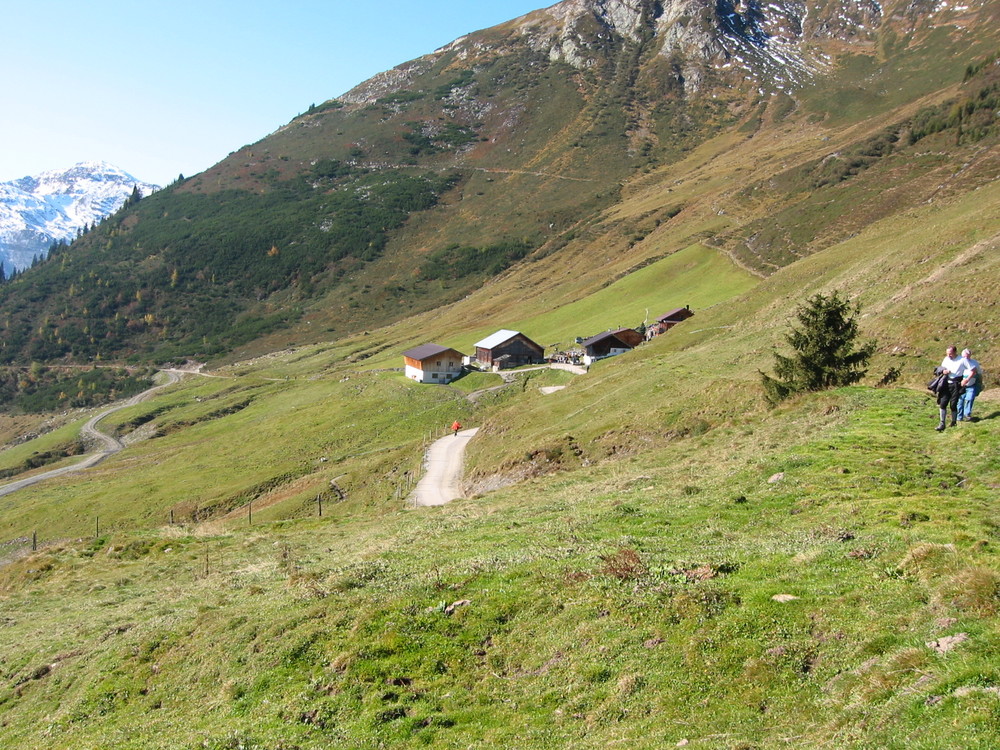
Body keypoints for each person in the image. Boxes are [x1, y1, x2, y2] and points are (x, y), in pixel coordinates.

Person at [936, 345, 967, 431]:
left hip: (956, 384)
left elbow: (972, 369)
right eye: (947, 354)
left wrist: (966, 379)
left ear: (955, 352)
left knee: (953, 404)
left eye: (950, 354)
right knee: (943, 403)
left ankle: (954, 422)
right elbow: (941, 368)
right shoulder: (946, 359)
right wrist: (943, 371)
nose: (948, 356)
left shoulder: (962, 360)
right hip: (946, 383)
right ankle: (942, 423)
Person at [957, 348, 982, 422]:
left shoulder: (974, 363)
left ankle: (967, 414)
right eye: (964, 356)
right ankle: (959, 417)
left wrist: (980, 383)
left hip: (972, 384)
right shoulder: (959, 363)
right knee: (960, 401)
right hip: (961, 386)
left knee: (970, 398)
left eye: (967, 356)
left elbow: (979, 373)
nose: (966, 358)